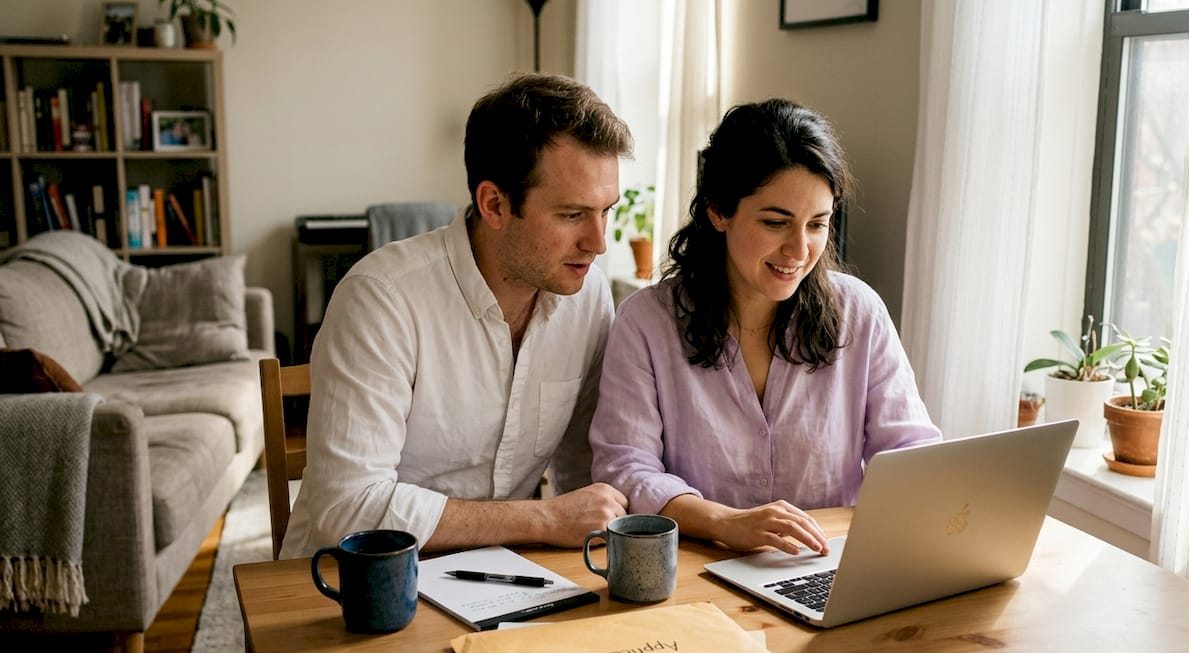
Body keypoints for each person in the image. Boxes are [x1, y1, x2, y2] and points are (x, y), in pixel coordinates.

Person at [280, 73, 634, 559]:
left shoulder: (588, 298)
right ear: (494, 204)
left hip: (502, 577)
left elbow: (582, 470)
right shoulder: (380, 300)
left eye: (605, 211)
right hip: (350, 584)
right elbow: (346, 509)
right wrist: (545, 518)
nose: (599, 242)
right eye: (572, 215)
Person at [590, 98, 941, 557]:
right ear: (718, 211)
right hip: (698, 574)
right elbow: (625, 469)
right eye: (776, 223)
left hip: (830, 567)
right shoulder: (646, 324)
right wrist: (726, 522)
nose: (799, 249)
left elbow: (909, 451)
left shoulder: (860, 313)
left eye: (817, 224)